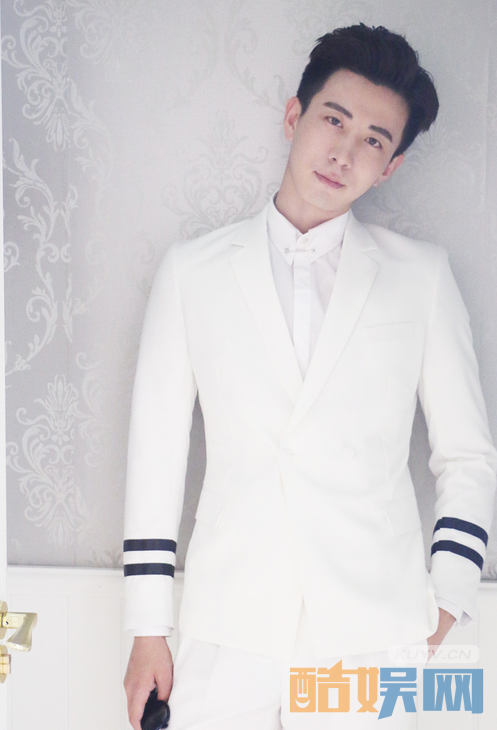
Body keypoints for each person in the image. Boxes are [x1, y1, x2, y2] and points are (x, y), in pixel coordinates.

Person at [123, 24, 496, 729]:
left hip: (372, 629)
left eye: (374, 141)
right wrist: (147, 628)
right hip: (227, 626)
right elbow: (155, 458)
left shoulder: (421, 278)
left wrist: (447, 598)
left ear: (390, 167)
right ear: (294, 116)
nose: (344, 152)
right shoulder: (192, 272)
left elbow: (468, 456)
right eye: (334, 120)